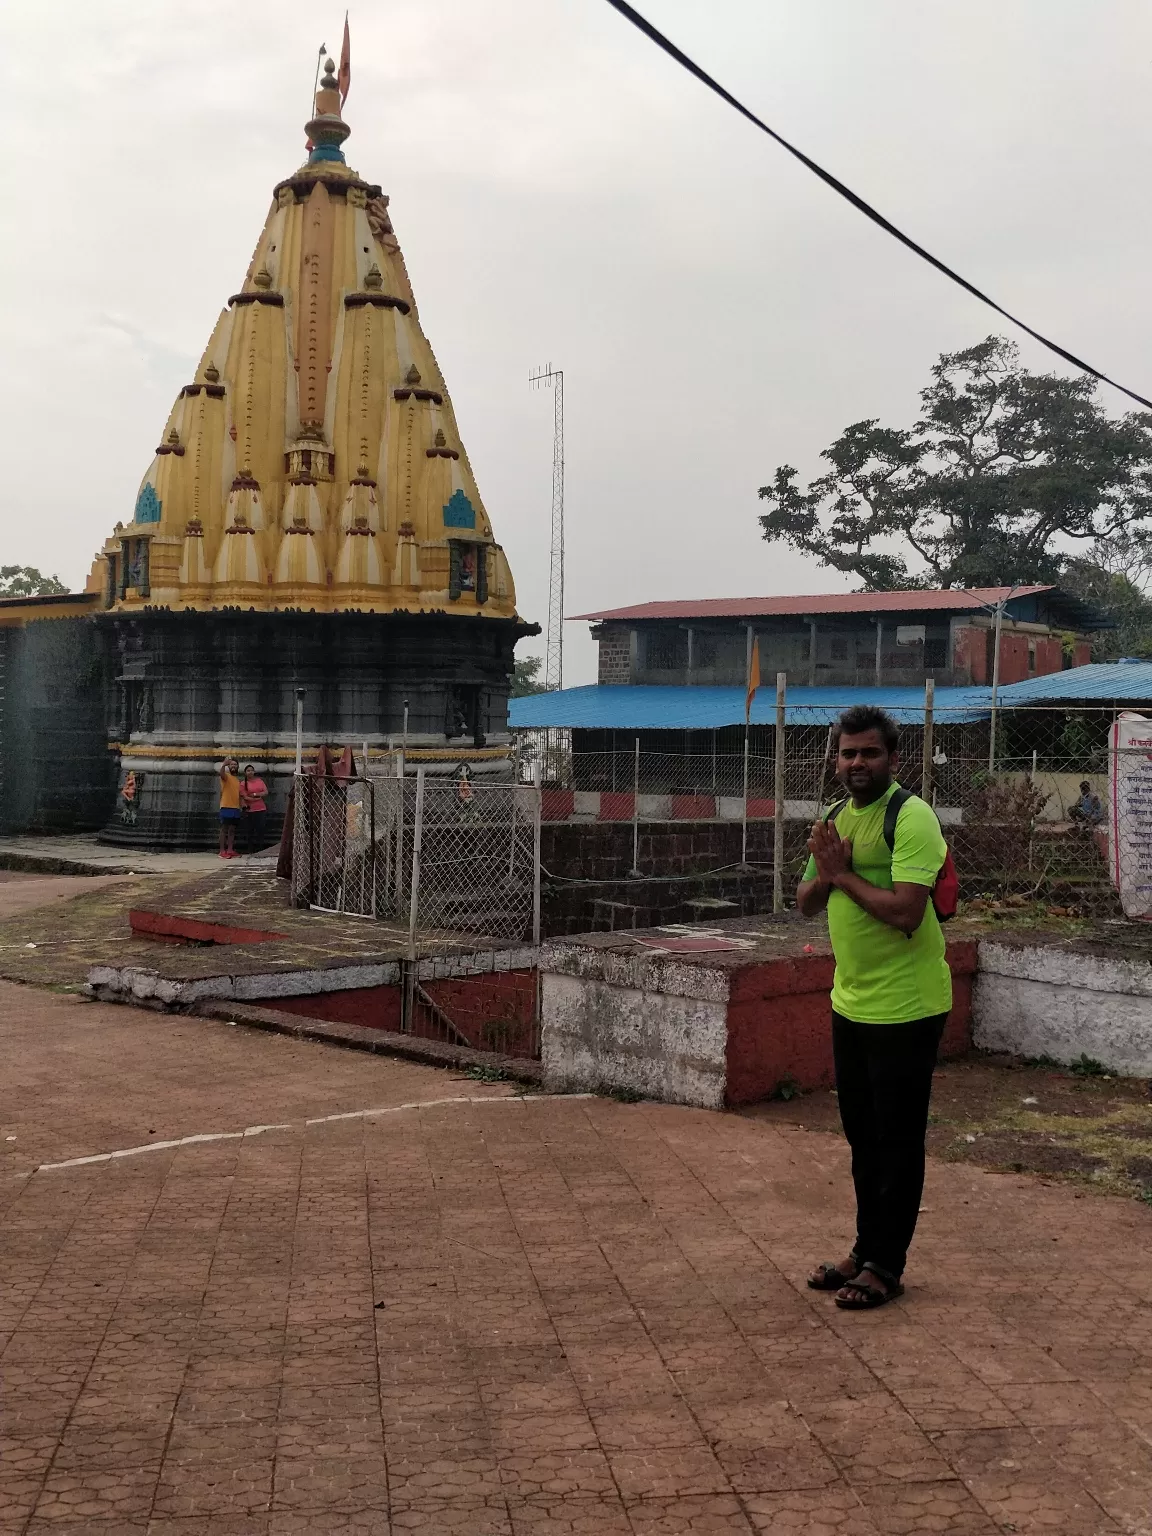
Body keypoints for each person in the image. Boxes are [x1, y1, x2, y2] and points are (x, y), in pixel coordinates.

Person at [796, 704, 951, 1310]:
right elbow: (806, 901)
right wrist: (826, 872)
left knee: (898, 1138)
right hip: (851, 1003)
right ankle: (863, 1250)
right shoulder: (836, 818)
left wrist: (842, 876)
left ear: (893, 758)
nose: (857, 763)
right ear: (835, 760)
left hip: (908, 1007)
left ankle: (887, 1265)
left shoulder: (911, 819)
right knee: (862, 1135)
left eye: (869, 753)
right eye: (847, 753)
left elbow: (908, 913)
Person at [239, 764, 269, 853]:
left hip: (261, 808)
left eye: (252, 770)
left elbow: (266, 792)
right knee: (250, 830)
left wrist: (256, 795)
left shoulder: (259, 781)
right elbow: (244, 796)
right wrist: (257, 798)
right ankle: (250, 849)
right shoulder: (243, 783)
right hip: (250, 809)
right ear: (245, 772)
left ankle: (260, 847)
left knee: (261, 829)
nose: (250, 772)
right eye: (248, 770)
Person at [218, 758, 242, 858]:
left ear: (237, 767)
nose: (233, 766)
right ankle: (222, 851)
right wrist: (223, 764)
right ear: (229, 766)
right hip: (226, 806)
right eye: (231, 765)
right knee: (224, 829)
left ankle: (230, 850)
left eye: (235, 765)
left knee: (232, 829)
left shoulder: (237, 780)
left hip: (236, 807)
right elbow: (221, 774)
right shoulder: (226, 777)